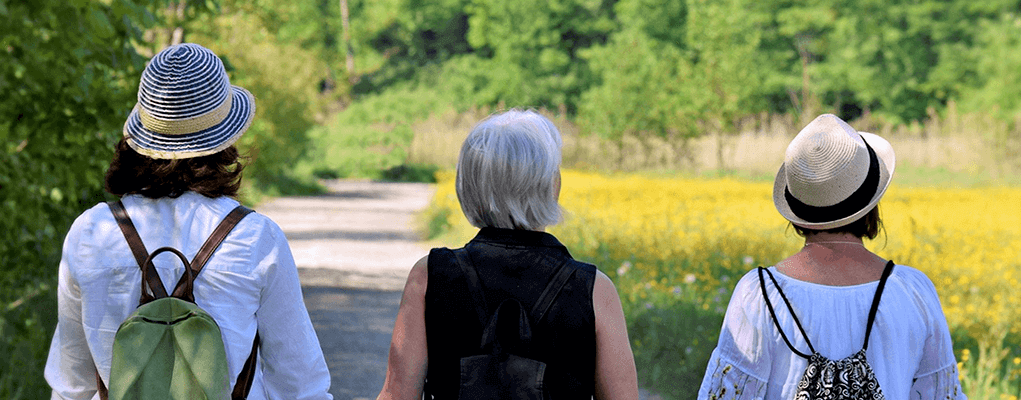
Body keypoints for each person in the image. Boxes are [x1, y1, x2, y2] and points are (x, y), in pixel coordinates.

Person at [44, 43, 333, 399]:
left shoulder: (91, 233)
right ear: (225, 139)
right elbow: (299, 382)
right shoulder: (255, 237)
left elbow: (70, 384)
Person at [698, 114, 966, 400]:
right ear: (869, 204)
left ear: (798, 209)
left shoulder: (761, 294)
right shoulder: (913, 291)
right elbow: (941, 393)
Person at [376, 109, 639, 400]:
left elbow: (398, 394)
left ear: (470, 184)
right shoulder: (593, 289)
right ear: (551, 186)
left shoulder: (430, 276)